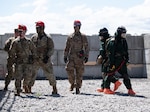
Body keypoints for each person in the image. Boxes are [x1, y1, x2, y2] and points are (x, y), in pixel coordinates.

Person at [28, 21, 58, 94]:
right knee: (32, 73)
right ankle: (29, 88)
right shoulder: (33, 37)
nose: (37, 29)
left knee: (50, 74)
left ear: (43, 28)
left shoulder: (48, 38)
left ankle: (54, 88)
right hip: (36, 59)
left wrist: (47, 56)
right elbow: (30, 47)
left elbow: (51, 48)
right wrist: (30, 56)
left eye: (39, 28)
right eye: (36, 28)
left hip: (45, 59)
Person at [106, 26, 136, 95]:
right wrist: (111, 63)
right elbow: (111, 54)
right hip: (114, 61)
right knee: (110, 74)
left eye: (125, 33)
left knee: (125, 75)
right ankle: (106, 88)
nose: (124, 34)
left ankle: (130, 89)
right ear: (119, 33)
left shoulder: (124, 41)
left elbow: (126, 51)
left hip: (122, 61)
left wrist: (127, 60)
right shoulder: (113, 41)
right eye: (123, 33)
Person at [9, 24, 36, 96]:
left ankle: (25, 85)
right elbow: (11, 52)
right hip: (19, 62)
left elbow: (34, 50)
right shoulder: (15, 42)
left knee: (28, 76)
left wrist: (32, 58)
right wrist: (13, 59)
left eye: (22, 32)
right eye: (19, 31)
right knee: (18, 77)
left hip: (27, 62)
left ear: (25, 32)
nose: (20, 33)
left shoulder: (29, 41)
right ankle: (17, 89)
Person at [64, 20, 89, 94]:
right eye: (75, 26)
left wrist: (86, 56)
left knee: (79, 73)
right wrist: (65, 56)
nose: (76, 28)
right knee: (69, 70)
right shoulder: (70, 37)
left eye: (78, 26)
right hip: (71, 57)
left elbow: (86, 47)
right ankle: (72, 83)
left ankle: (78, 87)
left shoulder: (83, 37)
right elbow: (67, 47)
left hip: (79, 58)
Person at [96, 28, 122, 94]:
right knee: (104, 73)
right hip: (105, 59)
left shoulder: (110, 41)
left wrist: (110, 61)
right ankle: (103, 87)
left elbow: (110, 53)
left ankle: (110, 85)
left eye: (101, 35)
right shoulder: (104, 41)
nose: (100, 37)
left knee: (107, 73)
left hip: (108, 59)